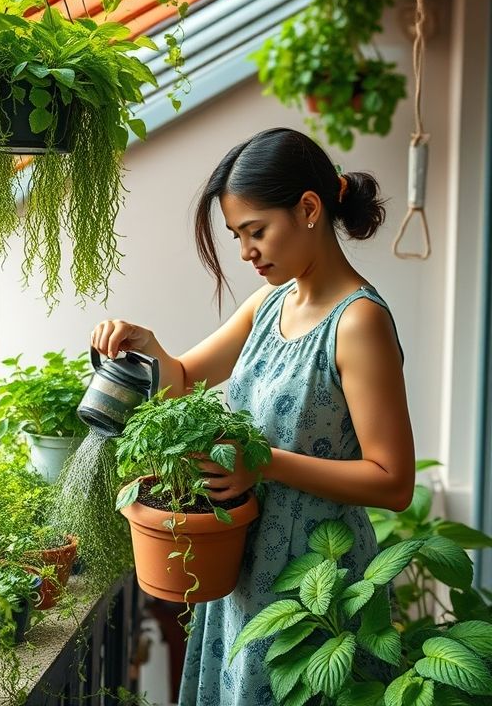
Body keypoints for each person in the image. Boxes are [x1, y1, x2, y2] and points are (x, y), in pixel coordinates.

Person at [90, 127, 415, 705]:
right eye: (238, 236)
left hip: (315, 583)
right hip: (243, 569)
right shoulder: (267, 305)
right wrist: (147, 345)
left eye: (255, 231)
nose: (246, 253)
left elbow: (393, 482)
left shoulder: (357, 322)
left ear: (309, 209)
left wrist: (262, 464)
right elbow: (182, 383)